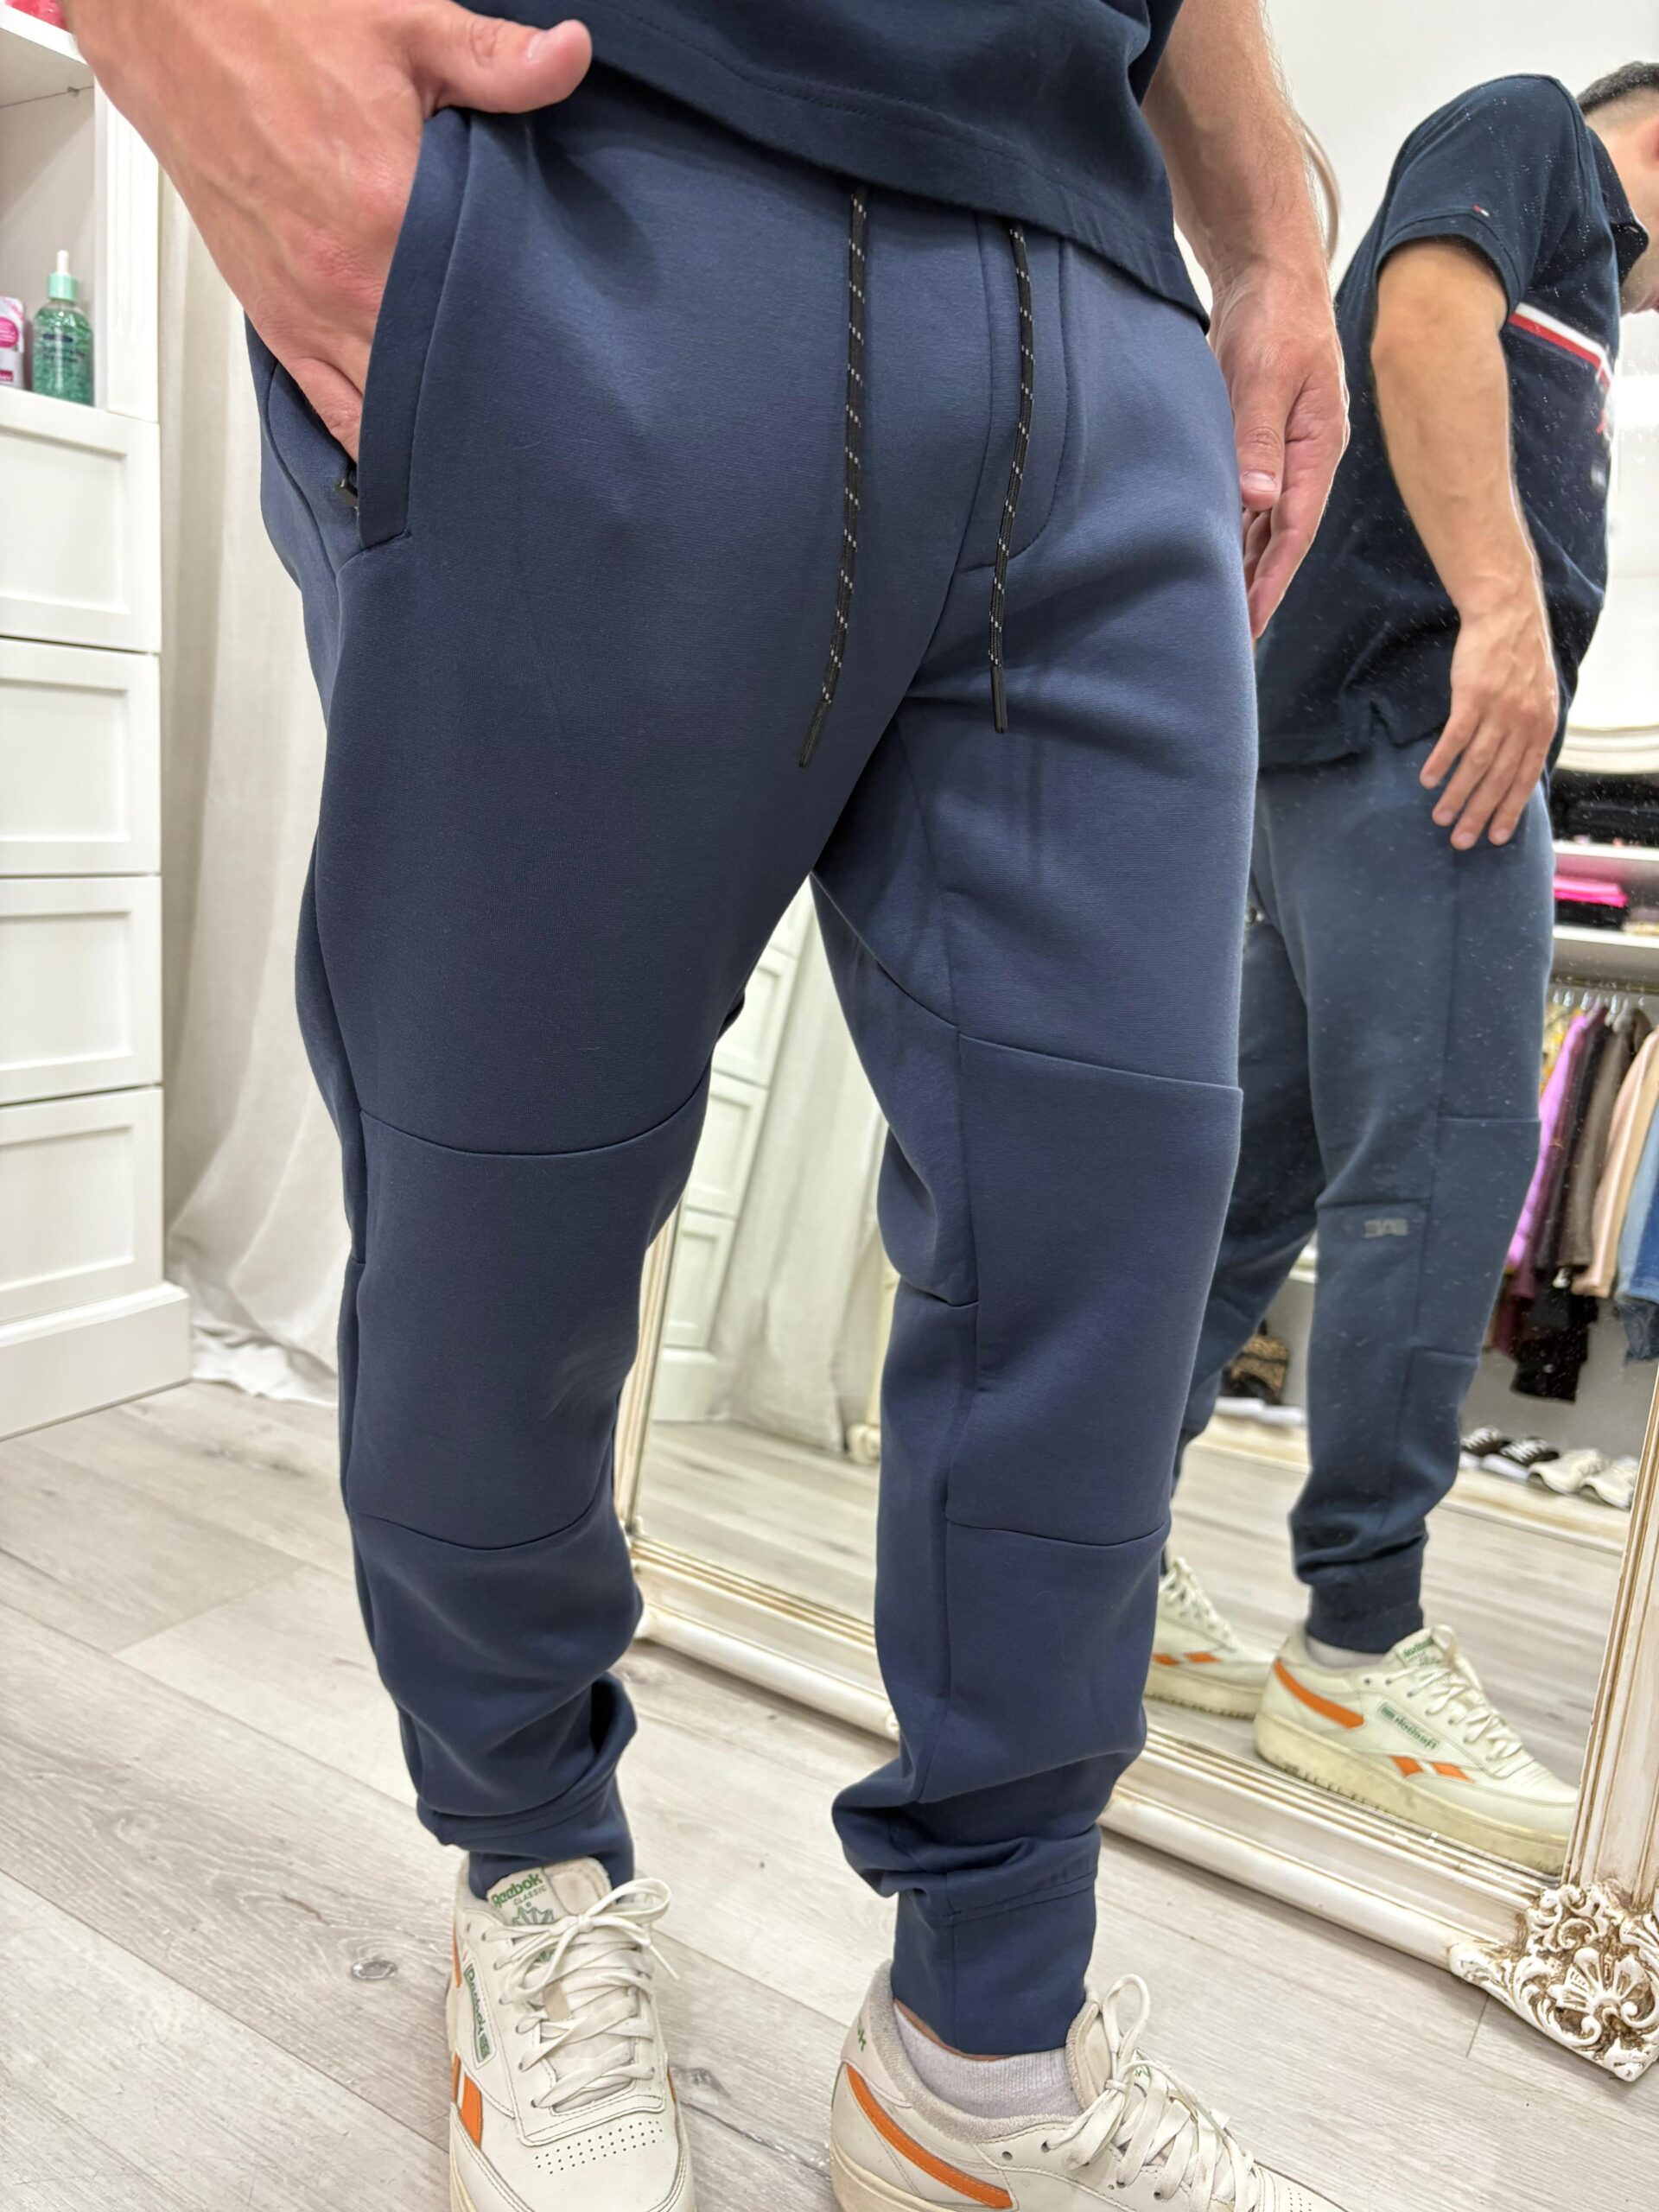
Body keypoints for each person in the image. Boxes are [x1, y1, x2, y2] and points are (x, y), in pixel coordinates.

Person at [67, 3, 1350, 2206]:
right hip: (610, 177)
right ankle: (533, 1866)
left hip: (1102, 303)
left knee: (1113, 1226)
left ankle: (985, 2034)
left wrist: (1268, 233)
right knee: (507, 1206)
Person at [1154, 67, 1659, 1876]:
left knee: (1244, 1202)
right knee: (1436, 1180)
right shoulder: (1542, 143)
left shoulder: (1568, 250)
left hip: (1319, 752)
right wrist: (1511, 619)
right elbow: (1424, 311)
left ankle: (1109, 1557)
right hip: (1420, 743)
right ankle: (1358, 1648)